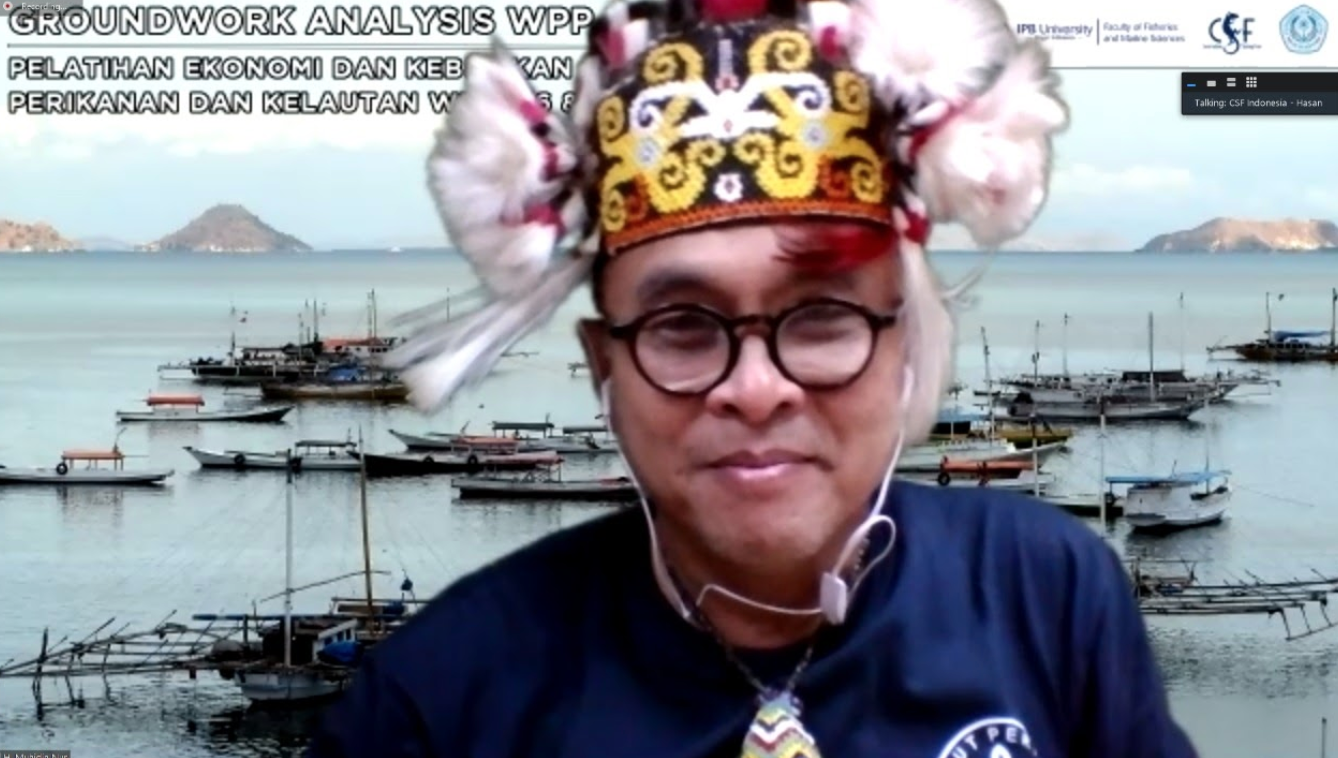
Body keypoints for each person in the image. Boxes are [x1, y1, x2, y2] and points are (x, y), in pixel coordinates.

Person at [308, 0, 1199, 755]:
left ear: (903, 344)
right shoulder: (438, 701)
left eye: (820, 319)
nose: (758, 387)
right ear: (603, 364)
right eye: (684, 327)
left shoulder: (1048, 598)